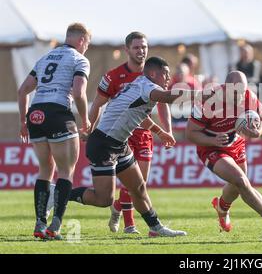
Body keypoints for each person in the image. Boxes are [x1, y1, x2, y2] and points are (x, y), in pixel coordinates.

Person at [68, 56, 202, 237]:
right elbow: (168, 98)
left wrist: (159, 131)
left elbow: (138, 113)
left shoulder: (140, 84)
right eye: (166, 74)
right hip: (103, 144)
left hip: (119, 143)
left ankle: (156, 228)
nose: (169, 79)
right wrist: (205, 95)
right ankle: (61, 193)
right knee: (104, 199)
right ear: (153, 73)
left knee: (138, 188)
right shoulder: (148, 86)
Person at [88, 32, 175, 234]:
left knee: (138, 184)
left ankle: (122, 209)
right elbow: (98, 104)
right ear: (127, 50)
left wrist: (166, 131)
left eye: (144, 47)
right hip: (116, 134)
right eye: (136, 47)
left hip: (143, 131)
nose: (141, 51)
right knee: (125, 188)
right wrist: (89, 128)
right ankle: (130, 225)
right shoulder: (113, 76)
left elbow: (163, 103)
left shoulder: (154, 74)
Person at [185, 71, 262, 237]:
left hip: (235, 143)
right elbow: (190, 133)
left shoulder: (248, 96)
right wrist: (213, 141)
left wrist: (258, 132)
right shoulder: (206, 101)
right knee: (241, 180)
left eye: (242, 92)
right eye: (235, 93)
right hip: (211, 146)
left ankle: (222, 207)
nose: (240, 96)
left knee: (238, 184)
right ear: (225, 88)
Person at [17, 22, 92, 239]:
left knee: (44, 170)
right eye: (87, 43)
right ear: (81, 40)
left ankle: (39, 225)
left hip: (36, 113)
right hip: (58, 112)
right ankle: (55, 226)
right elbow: (78, 92)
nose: (86, 47)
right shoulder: (80, 59)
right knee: (66, 171)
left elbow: (23, 91)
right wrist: (85, 119)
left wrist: (23, 122)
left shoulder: (45, 58)